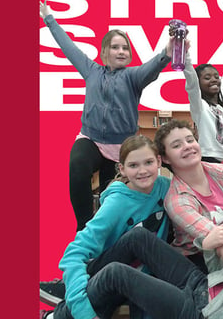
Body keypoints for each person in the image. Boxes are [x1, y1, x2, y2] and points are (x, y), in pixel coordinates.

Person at [41, 192, 223, 319]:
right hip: (203, 283)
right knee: (140, 237)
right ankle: (72, 288)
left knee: (117, 273)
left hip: (202, 312)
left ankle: (59, 316)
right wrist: (214, 246)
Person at [40, 1, 174, 231]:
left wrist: (167, 53)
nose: (121, 51)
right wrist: (48, 18)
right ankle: (83, 227)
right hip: (90, 139)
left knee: (109, 195)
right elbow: (68, 47)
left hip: (120, 146)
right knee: (78, 165)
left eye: (125, 48)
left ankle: (105, 232)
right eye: (115, 47)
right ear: (104, 52)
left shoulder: (133, 77)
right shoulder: (91, 70)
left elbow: (152, 67)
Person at [39, 135, 172, 319]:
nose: (142, 171)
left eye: (148, 162)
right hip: (109, 276)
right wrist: (82, 310)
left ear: (158, 161)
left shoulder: (166, 187)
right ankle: (60, 308)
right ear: (122, 169)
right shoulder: (116, 205)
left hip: (144, 275)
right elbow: (74, 252)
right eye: (133, 165)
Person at [153, 119, 223, 270]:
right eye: (177, 145)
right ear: (165, 158)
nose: (187, 146)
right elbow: (218, 239)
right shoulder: (176, 200)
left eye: (190, 140)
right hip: (202, 263)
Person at [176, 27, 223, 162]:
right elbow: (191, 81)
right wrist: (184, 52)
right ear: (198, 83)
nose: (214, 80)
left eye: (216, 76)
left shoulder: (220, 105)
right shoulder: (200, 106)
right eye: (207, 77)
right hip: (207, 157)